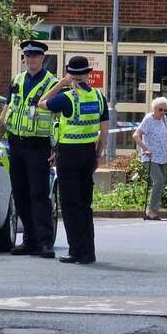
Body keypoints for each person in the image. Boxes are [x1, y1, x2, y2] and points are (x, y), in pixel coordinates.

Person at [0, 40, 58, 258]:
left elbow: (58, 119)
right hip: (16, 144)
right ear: (24, 58)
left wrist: (56, 149)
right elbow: (5, 113)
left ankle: (45, 242)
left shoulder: (52, 83)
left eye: (36, 56)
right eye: (28, 56)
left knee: (39, 194)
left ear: (43, 58)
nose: (31, 60)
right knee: (20, 195)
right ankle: (29, 240)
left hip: (39, 146)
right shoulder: (17, 80)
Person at [38, 56, 108, 264]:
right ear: (87, 74)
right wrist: (98, 154)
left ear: (70, 74)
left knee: (70, 205)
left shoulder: (66, 98)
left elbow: (41, 103)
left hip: (69, 155)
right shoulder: (98, 97)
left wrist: (60, 84)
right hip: (88, 153)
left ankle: (76, 250)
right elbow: (104, 129)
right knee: (85, 205)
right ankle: (89, 251)